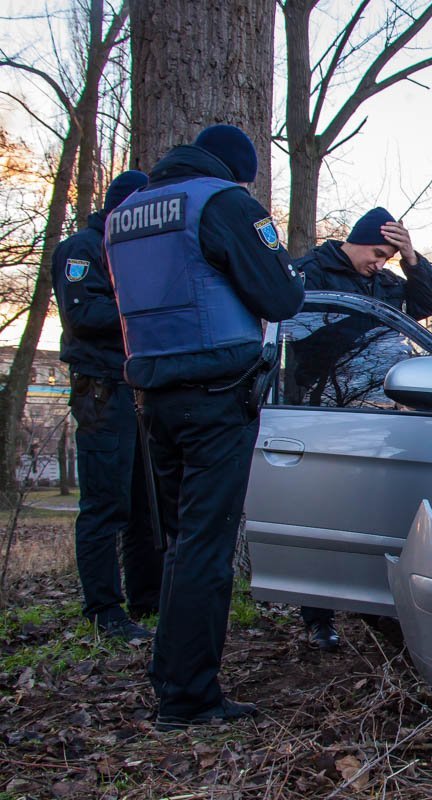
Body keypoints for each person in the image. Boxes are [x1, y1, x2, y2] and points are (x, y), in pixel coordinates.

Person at [105, 124, 305, 731]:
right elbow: (280, 298)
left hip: (153, 397)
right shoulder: (223, 203)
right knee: (206, 549)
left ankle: (171, 675)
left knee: (179, 544)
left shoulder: (126, 213)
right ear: (233, 171)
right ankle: (189, 698)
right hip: (217, 396)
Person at [291, 207, 432, 651]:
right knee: (318, 511)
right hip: (318, 407)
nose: (380, 263)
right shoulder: (310, 272)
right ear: (353, 240)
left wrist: (413, 259)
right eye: (377, 253)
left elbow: (428, 304)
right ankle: (317, 617)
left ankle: (375, 604)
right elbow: (296, 331)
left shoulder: (386, 283)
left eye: (388, 257)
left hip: (376, 408)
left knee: (371, 510)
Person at [52, 170, 162, 641]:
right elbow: (83, 314)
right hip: (101, 389)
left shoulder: (137, 254)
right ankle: (103, 610)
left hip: (142, 393)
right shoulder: (84, 248)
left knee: (145, 503)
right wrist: (143, 307)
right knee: (105, 504)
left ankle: (148, 599)